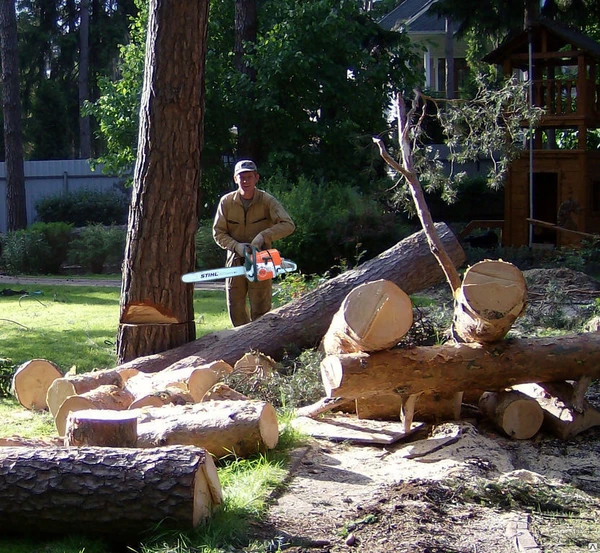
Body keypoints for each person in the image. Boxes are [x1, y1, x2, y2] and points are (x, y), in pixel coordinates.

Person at [213, 159, 295, 327]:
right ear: (235, 179)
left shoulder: (267, 200)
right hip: (235, 259)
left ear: (256, 178)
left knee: (261, 309)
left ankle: (261, 346)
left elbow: (288, 225)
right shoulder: (226, 202)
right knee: (236, 308)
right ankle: (239, 346)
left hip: (262, 258)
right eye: (241, 177)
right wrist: (237, 246)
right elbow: (218, 232)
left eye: (249, 177)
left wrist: (264, 236)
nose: (245, 181)